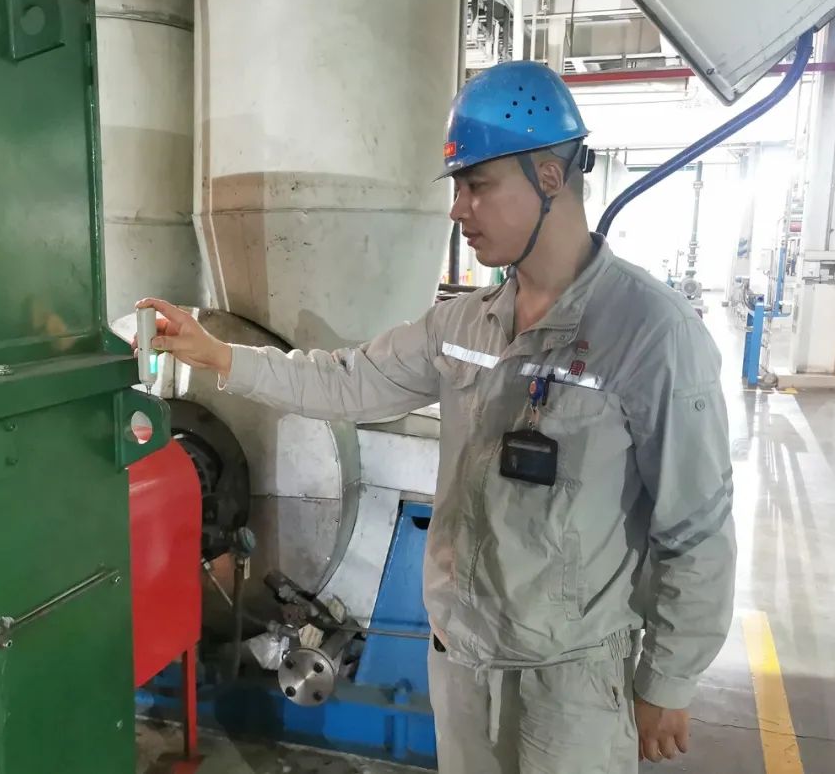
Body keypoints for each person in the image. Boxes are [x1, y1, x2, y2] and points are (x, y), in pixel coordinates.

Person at [135, 61, 735, 774]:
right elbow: (346, 381)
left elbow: (695, 524)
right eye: (458, 187)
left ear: (549, 177)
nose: (458, 209)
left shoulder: (649, 333)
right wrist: (218, 355)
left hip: (569, 682)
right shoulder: (464, 325)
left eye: (478, 185)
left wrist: (669, 677)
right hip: (459, 662)